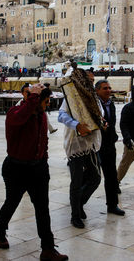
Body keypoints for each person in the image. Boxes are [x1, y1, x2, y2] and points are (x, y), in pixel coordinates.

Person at [0, 84, 68, 261]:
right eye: (46, 101)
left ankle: (48, 249)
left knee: (43, 208)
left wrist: (44, 159)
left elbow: (43, 140)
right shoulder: (14, 113)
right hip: (16, 168)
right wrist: (33, 98)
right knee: (12, 202)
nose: (47, 105)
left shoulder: (41, 116)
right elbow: (19, 119)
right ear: (36, 101)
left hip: (38, 168)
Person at [58, 67, 102, 229]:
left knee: (95, 178)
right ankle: (75, 215)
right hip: (76, 144)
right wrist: (76, 125)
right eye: (88, 80)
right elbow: (61, 115)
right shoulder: (72, 97)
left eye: (92, 80)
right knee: (76, 181)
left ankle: (78, 204)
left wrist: (101, 121)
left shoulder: (93, 98)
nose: (91, 83)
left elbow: (98, 114)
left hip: (90, 144)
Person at [95, 79, 125, 215]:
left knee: (111, 176)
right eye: (104, 88)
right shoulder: (93, 105)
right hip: (96, 144)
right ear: (97, 91)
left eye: (109, 88)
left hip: (109, 145)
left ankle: (112, 205)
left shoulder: (110, 104)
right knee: (92, 177)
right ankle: (78, 205)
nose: (108, 90)